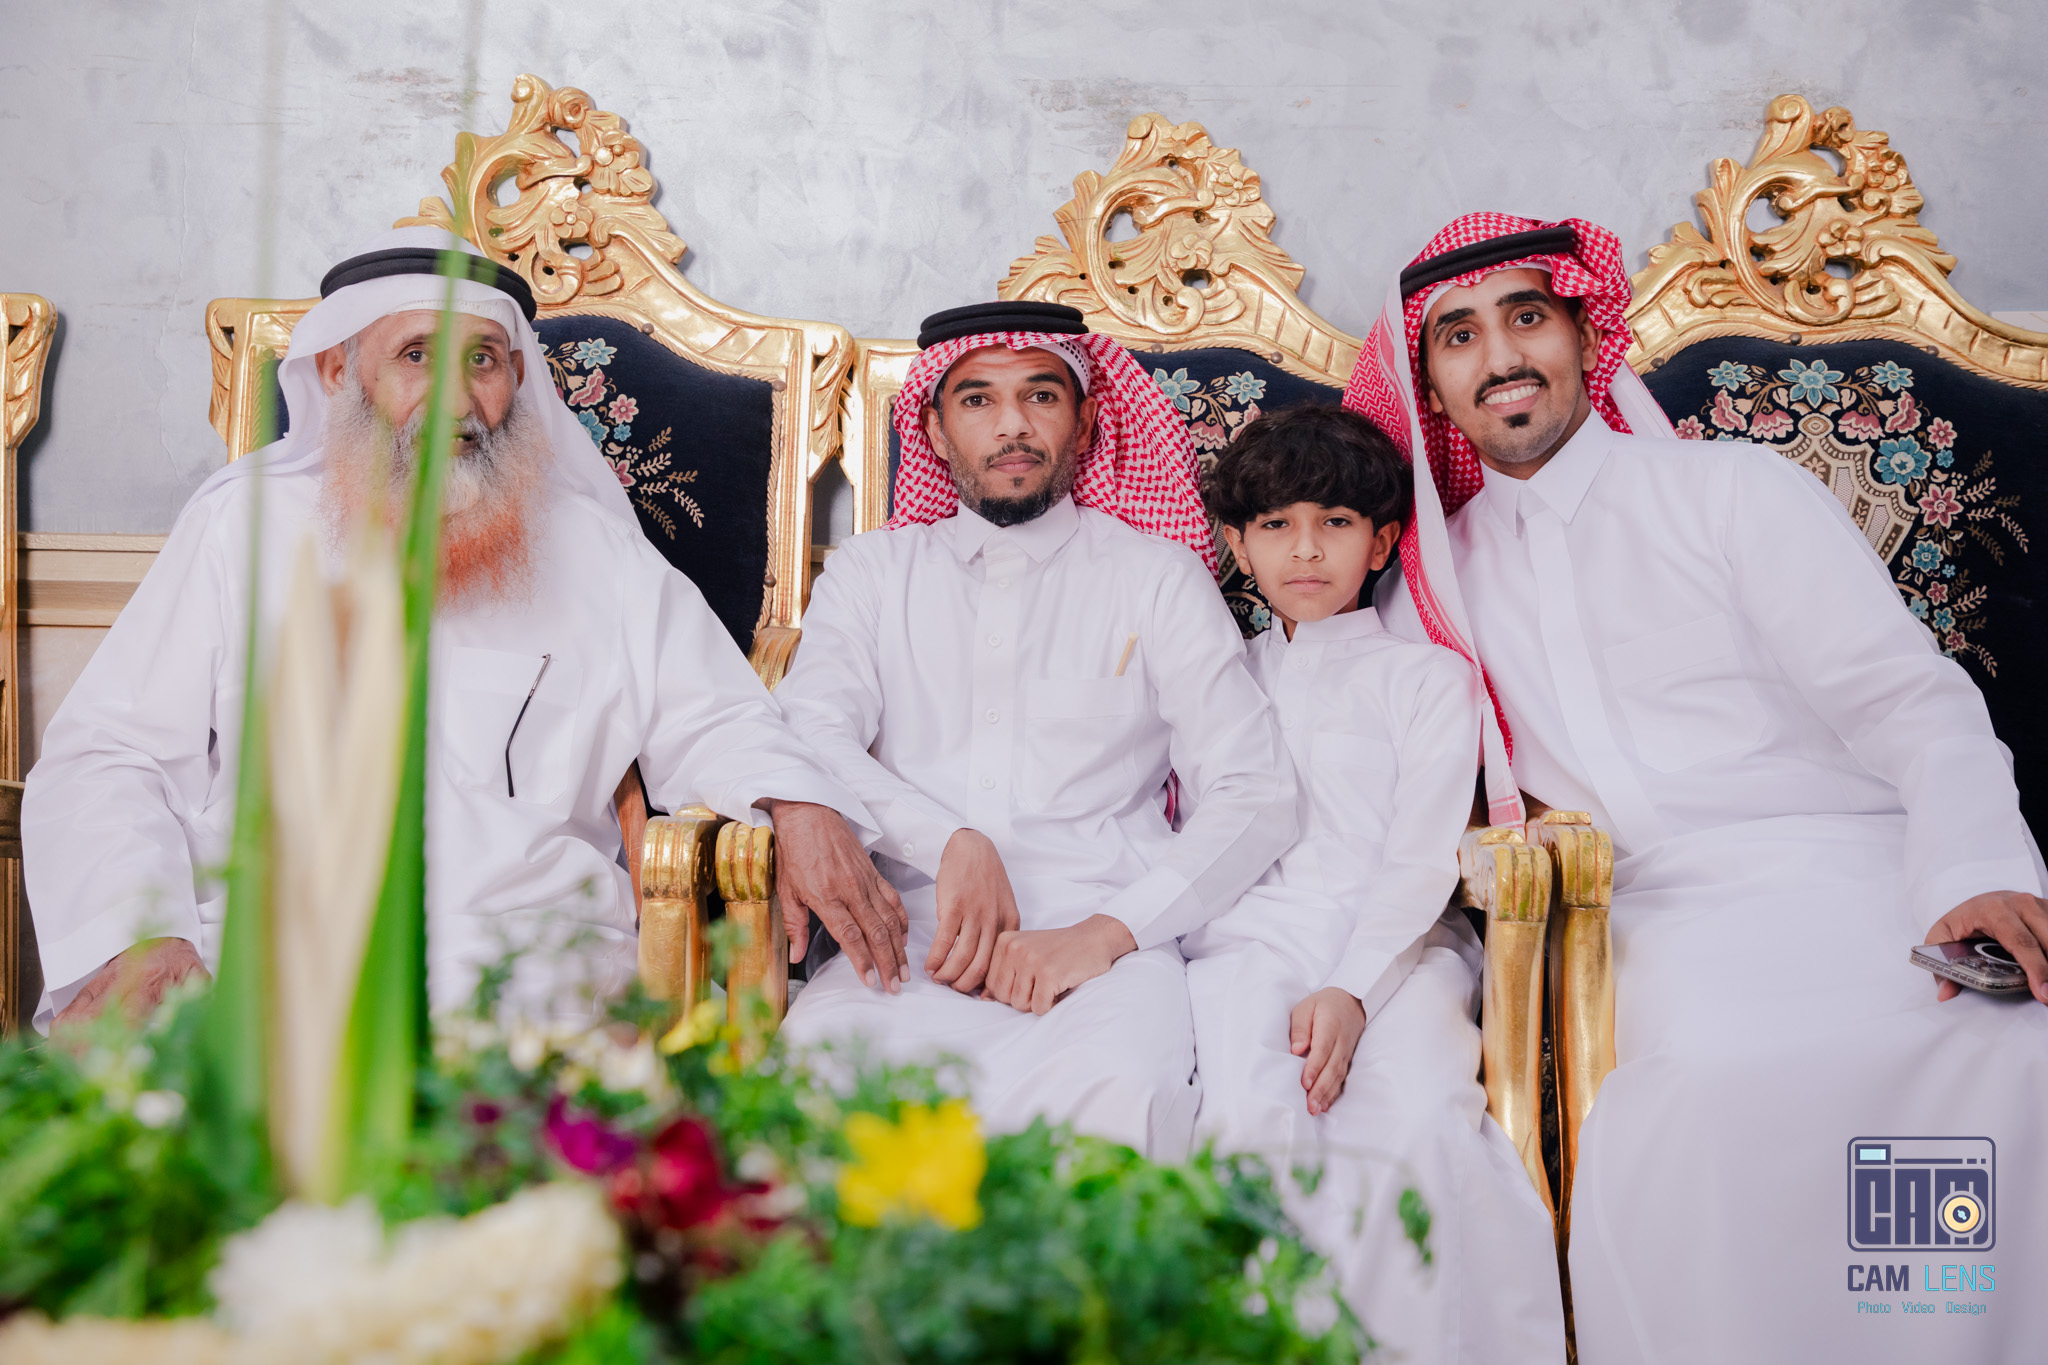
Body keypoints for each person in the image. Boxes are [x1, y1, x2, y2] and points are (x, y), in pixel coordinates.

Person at [1345, 211, 2048, 1364]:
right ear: (1428, 386)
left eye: (1526, 317)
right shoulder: (1428, 588)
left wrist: (1969, 870)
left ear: (1585, 336)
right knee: (1707, 1093)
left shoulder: (1730, 493)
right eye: (1458, 336)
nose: (1500, 357)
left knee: (2004, 1054)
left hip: (1853, 869)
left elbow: (1905, 699)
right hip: (1645, 915)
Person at [25, 226, 902, 1032]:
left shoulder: (590, 547)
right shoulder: (241, 528)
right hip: (268, 945)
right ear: (336, 372)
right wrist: (141, 933)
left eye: (482, 359)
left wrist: (796, 801)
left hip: (522, 957)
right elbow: (112, 750)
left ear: (515, 377)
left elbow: (715, 713)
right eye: (416, 355)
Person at [773, 301, 1294, 1158]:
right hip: (902, 948)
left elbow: (1255, 790)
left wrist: (1107, 933)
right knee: (804, 1111)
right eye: (977, 399)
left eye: (1041, 395)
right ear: (933, 430)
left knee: (1120, 1114)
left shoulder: (1156, 577)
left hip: (1107, 960)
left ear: (1085, 423)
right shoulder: (871, 575)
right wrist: (949, 841)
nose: (1011, 424)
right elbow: (809, 736)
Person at [1185, 403, 1564, 1363]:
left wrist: (1351, 990)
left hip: (1405, 947)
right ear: (1236, 544)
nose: (1307, 549)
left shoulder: (1429, 678)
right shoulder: (1218, 677)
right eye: (1276, 524)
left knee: (1422, 1124)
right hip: (1246, 943)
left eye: (1337, 522)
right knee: (1250, 1119)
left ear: (1384, 541)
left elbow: (1420, 858)